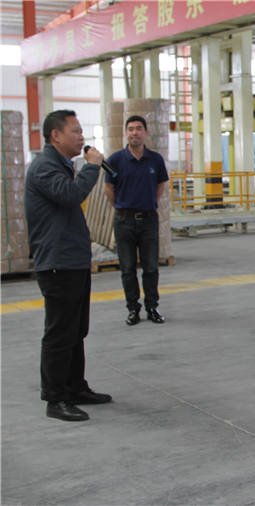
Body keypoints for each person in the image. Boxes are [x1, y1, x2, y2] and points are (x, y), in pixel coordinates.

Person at [25, 110, 113, 422]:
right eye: (75, 130)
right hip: (57, 263)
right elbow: (71, 195)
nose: (81, 136)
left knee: (76, 330)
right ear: (55, 135)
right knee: (60, 332)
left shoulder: (60, 165)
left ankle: (75, 387)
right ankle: (55, 398)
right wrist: (92, 167)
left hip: (72, 260)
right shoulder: (44, 167)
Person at [104, 115, 169, 326]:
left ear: (146, 132)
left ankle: (152, 307)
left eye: (139, 128)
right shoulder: (115, 160)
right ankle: (133, 309)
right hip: (124, 221)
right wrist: (121, 207)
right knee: (128, 268)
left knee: (150, 267)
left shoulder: (155, 160)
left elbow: (160, 184)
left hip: (149, 220)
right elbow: (108, 188)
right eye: (130, 129)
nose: (135, 132)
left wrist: (149, 203)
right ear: (126, 133)